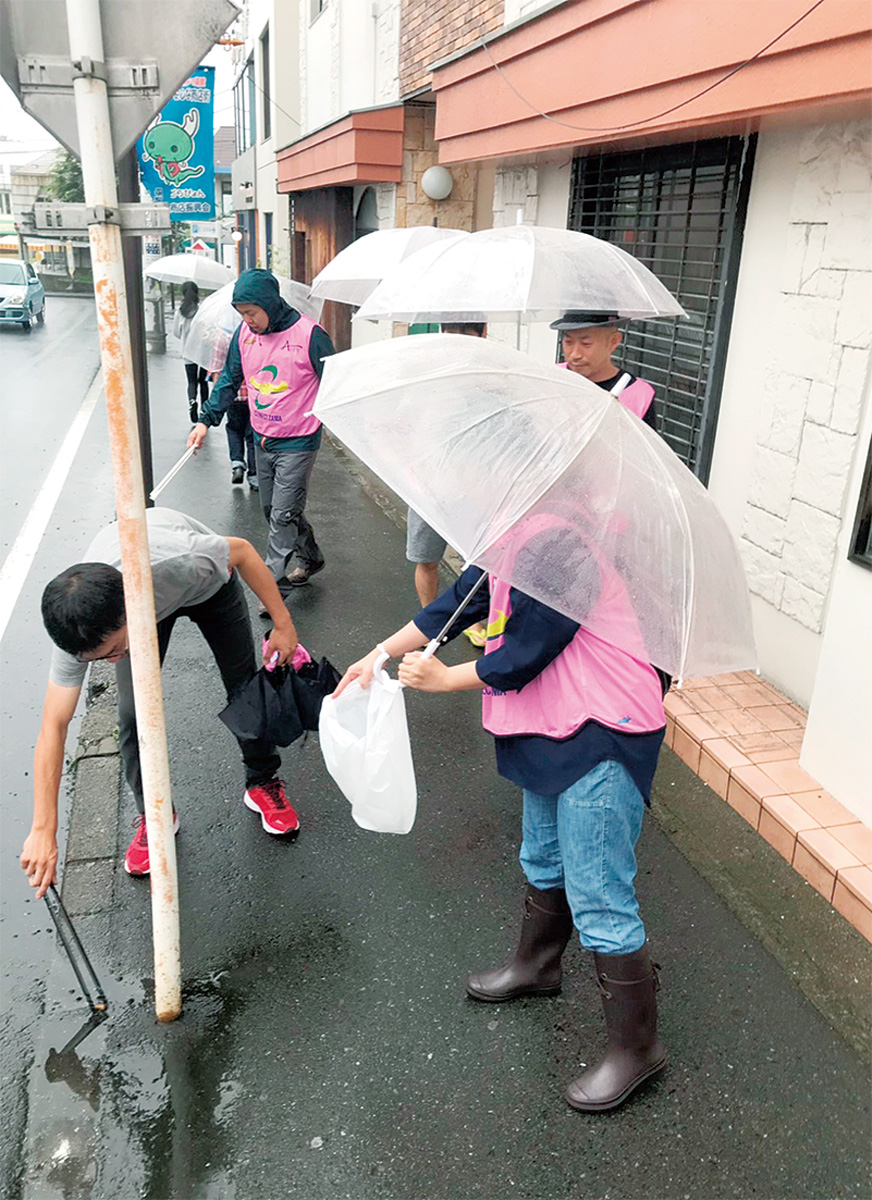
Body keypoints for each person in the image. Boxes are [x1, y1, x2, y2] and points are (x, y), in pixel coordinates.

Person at [335, 540, 669, 1113]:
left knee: (599, 894)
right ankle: (537, 965)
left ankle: (637, 1049)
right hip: (551, 718)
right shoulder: (515, 530)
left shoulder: (569, 541)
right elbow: (462, 600)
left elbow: (530, 645)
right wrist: (379, 654)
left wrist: (445, 680)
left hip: (603, 726)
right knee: (543, 855)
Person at [20, 508, 303, 896]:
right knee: (132, 714)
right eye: (101, 658)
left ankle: (263, 780)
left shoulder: (185, 560)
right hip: (137, 607)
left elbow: (243, 551)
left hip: (208, 590)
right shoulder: (77, 628)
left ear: (130, 608)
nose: (113, 661)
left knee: (242, 685)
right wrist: (42, 829)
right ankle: (154, 814)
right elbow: (53, 725)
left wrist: (283, 624)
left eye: (115, 650)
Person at [187, 269, 335, 597]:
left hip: (299, 440)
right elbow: (229, 379)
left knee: (282, 516)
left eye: (252, 312)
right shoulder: (244, 335)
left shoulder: (310, 335)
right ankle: (311, 556)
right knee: (274, 511)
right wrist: (205, 421)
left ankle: (272, 591)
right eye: (241, 313)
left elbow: (335, 383)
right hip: (262, 437)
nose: (247, 320)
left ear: (269, 303)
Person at [406, 321, 487, 648]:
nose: (456, 341)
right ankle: (431, 624)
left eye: (464, 334)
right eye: (450, 333)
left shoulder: (489, 378)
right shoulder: (427, 375)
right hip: (429, 483)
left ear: (481, 334)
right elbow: (404, 420)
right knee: (426, 558)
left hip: (474, 485)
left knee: (479, 560)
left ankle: (475, 620)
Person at [552, 311, 658, 431]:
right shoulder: (551, 378)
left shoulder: (637, 394)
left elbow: (645, 442)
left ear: (613, 341)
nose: (575, 354)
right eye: (568, 342)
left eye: (586, 344)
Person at [173, 282, 210, 423]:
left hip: (188, 351)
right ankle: (204, 409)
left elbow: (176, 333)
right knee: (203, 381)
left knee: (192, 381)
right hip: (203, 351)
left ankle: (192, 401)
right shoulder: (202, 310)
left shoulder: (180, 312)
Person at [226, 381, 258, 490]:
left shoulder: (230, 368)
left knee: (234, 431)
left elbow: (216, 375)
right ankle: (254, 474)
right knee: (252, 436)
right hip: (252, 399)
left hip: (233, 399)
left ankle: (237, 464)